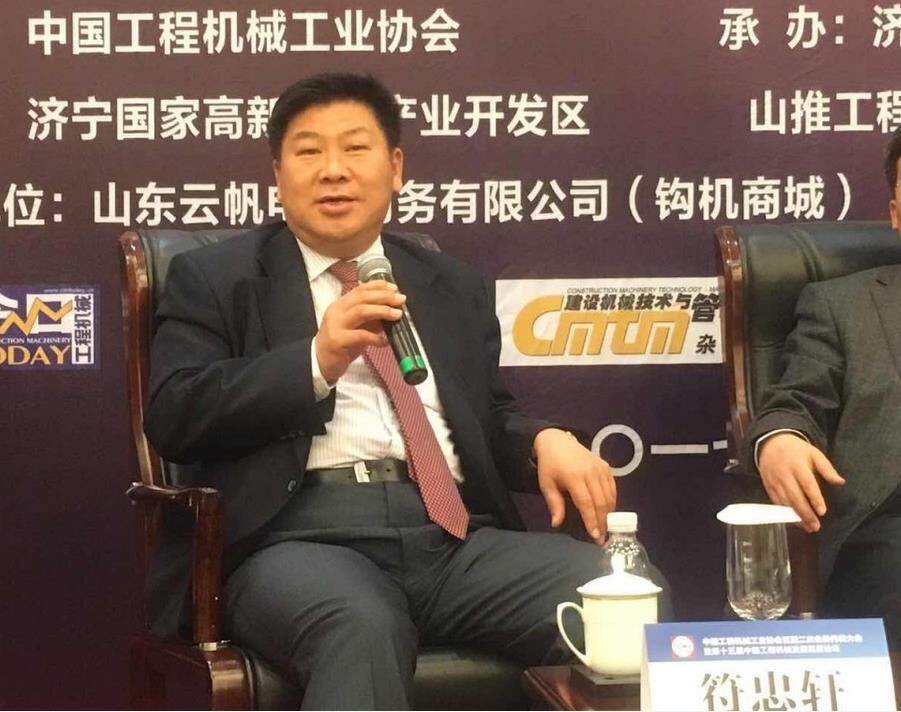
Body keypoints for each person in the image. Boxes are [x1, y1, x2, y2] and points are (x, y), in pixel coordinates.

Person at [144, 72, 670, 709]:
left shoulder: (449, 284)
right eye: (309, 151)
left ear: (395, 168)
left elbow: (486, 417)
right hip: (297, 542)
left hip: (448, 537)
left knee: (624, 596)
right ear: (277, 175)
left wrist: (543, 442)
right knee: (359, 626)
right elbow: (176, 412)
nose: (333, 170)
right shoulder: (215, 279)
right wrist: (316, 360)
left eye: (355, 148)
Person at [750, 128, 901, 646]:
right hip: (889, 535)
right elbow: (795, 401)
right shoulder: (843, 306)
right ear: (896, 214)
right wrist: (780, 440)